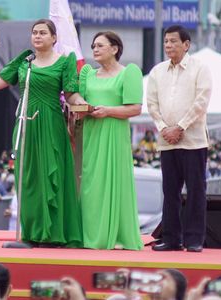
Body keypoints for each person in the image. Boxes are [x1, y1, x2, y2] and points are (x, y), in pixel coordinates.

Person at [0, 19, 85, 247]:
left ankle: (52, 235)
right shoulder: (25, 60)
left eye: (42, 33)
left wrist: (84, 103)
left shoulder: (64, 61)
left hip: (50, 122)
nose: (37, 36)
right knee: (27, 179)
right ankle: (30, 233)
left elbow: (71, 94)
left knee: (52, 177)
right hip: (25, 123)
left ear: (54, 38)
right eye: (34, 33)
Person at [147, 25, 212, 253]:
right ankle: (172, 238)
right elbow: (152, 104)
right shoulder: (157, 71)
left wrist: (181, 127)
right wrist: (164, 128)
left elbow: (201, 102)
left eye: (173, 41)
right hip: (167, 141)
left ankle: (194, 239)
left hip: (193, 141)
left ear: (186, 44)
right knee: (170, 192)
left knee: (196, 191)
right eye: (166, 41)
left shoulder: (200, 68)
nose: (168, 45)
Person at [78, 31, 143, 250]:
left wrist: (108, 111)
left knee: (115, 181)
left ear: (114, 49)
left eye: (100, 45)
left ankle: (116, 235)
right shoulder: (87, 74)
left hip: (114, 133)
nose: (95, 49)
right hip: (91, 133)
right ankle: (90, 235)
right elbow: (79, 102)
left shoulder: (128, 73)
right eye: (93, 45)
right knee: (90, 184)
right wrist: (81, 109)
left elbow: (135, 108)